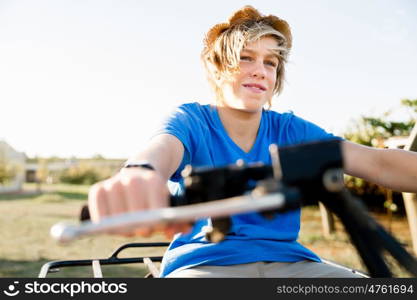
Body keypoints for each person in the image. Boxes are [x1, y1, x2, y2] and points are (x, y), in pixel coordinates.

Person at [88, 6, 417, 278]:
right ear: (217, 69)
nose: (260, 70)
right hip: (205, 264)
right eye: (246, 58)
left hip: (292, 264)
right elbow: (160, 150)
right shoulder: (191, 121)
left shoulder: (291, 130)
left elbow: (378, 162)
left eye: (270, 63)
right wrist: (140, 173)